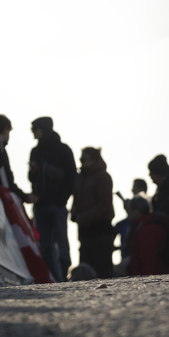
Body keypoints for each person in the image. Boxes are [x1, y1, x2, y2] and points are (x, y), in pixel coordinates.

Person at [28, 116, 76, 282]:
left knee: (62, 247)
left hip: (57, 206)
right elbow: (31, 178)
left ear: (44, 129)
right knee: (46, 247)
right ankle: (54, 281)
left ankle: (66, 279)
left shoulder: (63, 150)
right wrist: (34, 171)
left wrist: (62, 200)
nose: (33, 132)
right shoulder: (35, 151)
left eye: (35, 129)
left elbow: (71, 177)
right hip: (40, 206)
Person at [71, 147, 115, 279]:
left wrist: (82, 217)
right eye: (80, 159)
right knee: (85, 273)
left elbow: (104, 205)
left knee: (102, 271)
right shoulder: (80, 178)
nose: (81, 162)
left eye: (84, 159)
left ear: (94, 159)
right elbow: (76, 198)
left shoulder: (103, 177)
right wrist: (73, 213)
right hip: (84, 231)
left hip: (100, 230)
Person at [127, 196, 169, 276]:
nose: (128, 213)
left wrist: (144, 278)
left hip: (150, 274)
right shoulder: (147, 224)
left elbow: (149, 258)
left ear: (137, 211)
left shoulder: (147, 229)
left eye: (129, 210)